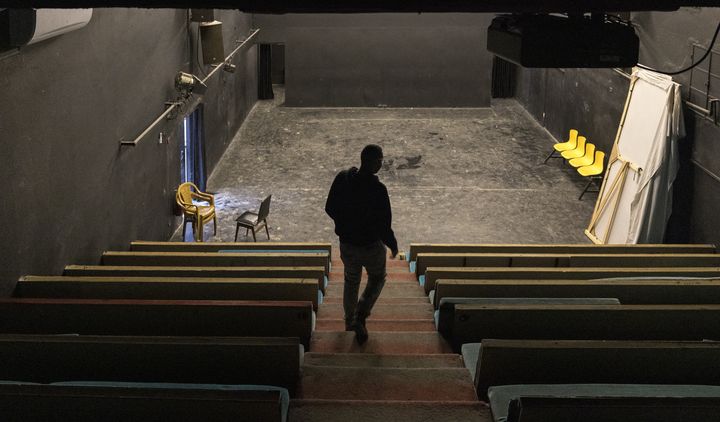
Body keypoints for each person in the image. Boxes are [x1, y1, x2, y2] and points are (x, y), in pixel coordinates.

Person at [325, 144, 399, 345]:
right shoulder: (378, 190)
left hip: (347, 245)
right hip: (370, 247)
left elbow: (329, 207)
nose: (381, 164)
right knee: (377, 278)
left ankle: (350, 321)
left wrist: (344, 223)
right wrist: (392, 244)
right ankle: (361, 314)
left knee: (351, 280)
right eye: (380, 160)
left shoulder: (342, 179)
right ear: (373, 162)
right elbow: (385, 224)